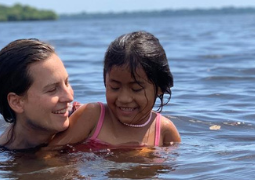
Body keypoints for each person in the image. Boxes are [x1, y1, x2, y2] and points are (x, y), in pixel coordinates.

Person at [49, 31, 181, 148]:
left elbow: (176, 172)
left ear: (160, 88)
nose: (124, 98)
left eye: (136, 89)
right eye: (115, 87)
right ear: (105, 82)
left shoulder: (164, 130)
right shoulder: (92, 116)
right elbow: (49, 154)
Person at [0, 38, 75, 150]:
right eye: (52, 89)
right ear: (17, 102)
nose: (69, 97)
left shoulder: (89, 118)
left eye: (66, 83)